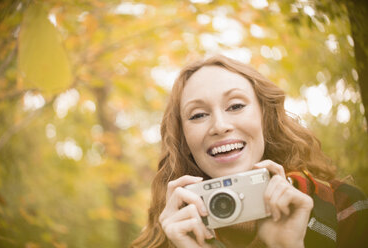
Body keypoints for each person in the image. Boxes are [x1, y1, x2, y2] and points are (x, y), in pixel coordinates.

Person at [131, 55, 368, 248]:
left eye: (236, 106)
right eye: (199, 115)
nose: (220, 126)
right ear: (183, 140)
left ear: (265, 117)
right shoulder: (164, 238)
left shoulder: (344, 206)